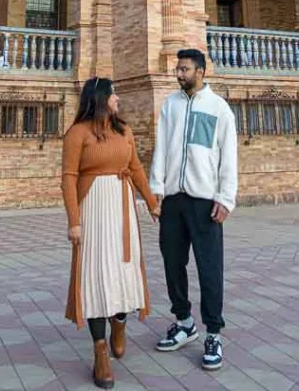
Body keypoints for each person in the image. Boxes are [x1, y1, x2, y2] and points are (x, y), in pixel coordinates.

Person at [62, 77, 160, 389]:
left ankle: (119, 322)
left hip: (122, 209)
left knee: (122, 271)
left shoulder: (124, 131)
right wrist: (74, 221)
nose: (119, 98)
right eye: (114, 93)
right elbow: (68, 178)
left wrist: (152, 203)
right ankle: (100, 350)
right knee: (95, 276)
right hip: (92, 211)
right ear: (101, 98)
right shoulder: (78, 133)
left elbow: (136, 169)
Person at [149, 48, 238, 372]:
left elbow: (228, 156)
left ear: (200, 71)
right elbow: (161, 147)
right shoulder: (170, 105)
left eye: (184, 69)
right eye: (177, 68)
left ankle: (213, 333)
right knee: (173, 263)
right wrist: (155, 189)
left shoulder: (219, 109)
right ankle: (184, 322)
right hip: (173, 199)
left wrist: (226, 198)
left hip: (205, 202)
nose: (178, 74)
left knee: (209, 269)